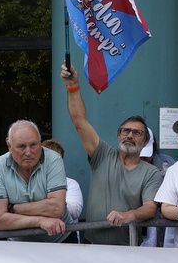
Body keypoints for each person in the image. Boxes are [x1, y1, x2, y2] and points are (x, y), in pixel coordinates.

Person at [60, 62, 162, 245]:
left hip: (127, 247)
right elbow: (79, 121)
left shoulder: (151, 172)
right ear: (118, 135)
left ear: (145, 141)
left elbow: (150, 208)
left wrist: (128, 215)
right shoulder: (103, 155)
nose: (130, 135)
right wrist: (72, 85)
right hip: (91, 244)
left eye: (137, 133)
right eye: (125, 131)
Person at [0, 120, 67, 237]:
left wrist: (14, 209)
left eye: (33, 145)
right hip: (18, 244)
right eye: (21, 146)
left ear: (40, 142)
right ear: (9, 146)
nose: (28, 152)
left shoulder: (54, 160)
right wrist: (40, 221)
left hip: (58, 239)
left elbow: (56, 208)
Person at [41, 139, 85, 223]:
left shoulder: (71, 184)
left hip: (66, 234)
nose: (52, 164)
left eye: (56, 160)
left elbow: (74, 211)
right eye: (47, 159)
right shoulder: (30, 181)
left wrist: (33, 207)